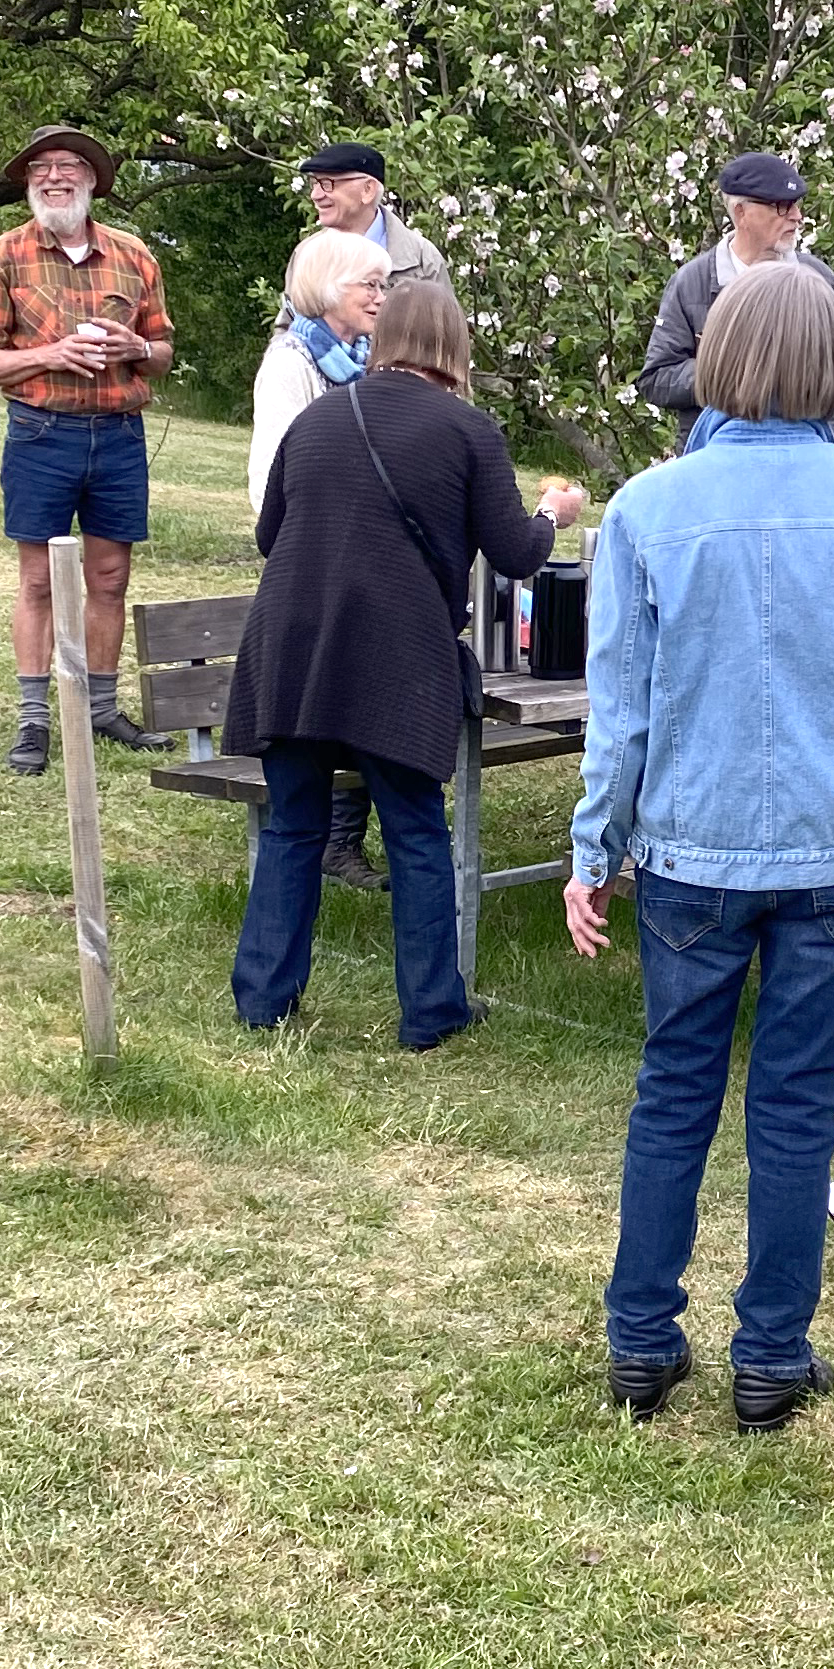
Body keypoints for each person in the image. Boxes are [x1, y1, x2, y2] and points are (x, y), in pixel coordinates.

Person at [567, 261, 834, 1432]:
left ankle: (642, 1339)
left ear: (718, 357)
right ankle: (771, 1354)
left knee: (672, 1088)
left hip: (692, 846)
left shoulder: (645, 506)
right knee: (797, 1100)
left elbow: (620, 708)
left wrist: (595, 847)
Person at [229, 281, 581, 1046]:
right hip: (395, 658)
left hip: (291, 649)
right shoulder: (467, 431)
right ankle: (431, 1011)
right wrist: (554, 513)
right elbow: (518, 553)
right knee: (416, 833)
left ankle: (262, 1001)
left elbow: (269, 538)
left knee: (294, 826)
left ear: (385, 342)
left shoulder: (318, 417)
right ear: (454, 348)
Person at [0, 126, 174, 777]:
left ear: (92, 181)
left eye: (68, 167)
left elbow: (164, 351)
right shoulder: (2, 257)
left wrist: (135, 350)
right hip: (40, 434)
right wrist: (53, 354)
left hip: (119, 437)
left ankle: (101, 709)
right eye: (40, 169)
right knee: (37, 581)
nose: (53, 177)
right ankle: (33, 723)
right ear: (28, 184)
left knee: (109, 578)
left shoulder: (135, 257)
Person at [249, 226, 405, 892]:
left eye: (385, 285)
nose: (381, 297)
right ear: (326, 288)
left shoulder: (371, 359)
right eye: (370, 284)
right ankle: (331, 844)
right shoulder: (292, 361)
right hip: (309, 562)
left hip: (370, 561)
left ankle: (343, 841)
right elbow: (275, 478)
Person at [635, 153, 834, 450]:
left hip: (805, 462)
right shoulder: (691, 284)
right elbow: (656, 379)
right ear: (741, 213)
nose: (796, 216)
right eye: (781, 206)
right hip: (716, 467)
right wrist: (731, 370)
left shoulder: (818, 280)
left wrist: (827, 446)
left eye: (796, 205)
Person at [299, 140, 451, 287]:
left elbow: (442, 313)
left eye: (327, 184)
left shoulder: (423, 260)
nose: (315, 195)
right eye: (314, 183)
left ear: (368, 190)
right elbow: (292, 313)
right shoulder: (308, 256)